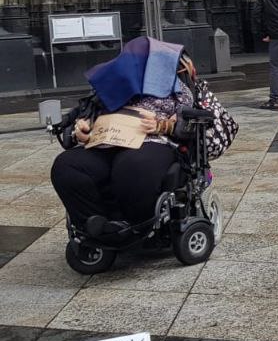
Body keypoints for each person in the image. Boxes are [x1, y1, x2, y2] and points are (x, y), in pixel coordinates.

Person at [50, 38, 195, 229]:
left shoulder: (176, 89)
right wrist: (83, 129)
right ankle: (95, 224)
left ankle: (133, 224)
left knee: (130, 165)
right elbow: (88, 115)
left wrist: (162, 125)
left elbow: (187, 122)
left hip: (151, 141)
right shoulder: (111, 86)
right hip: (105, 142)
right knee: (66, 165)